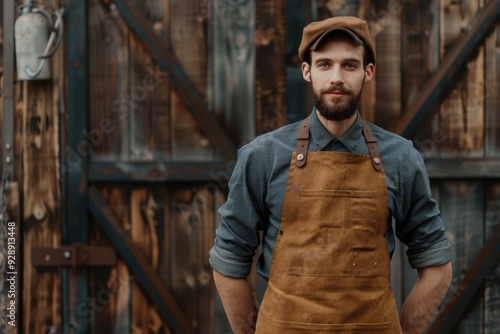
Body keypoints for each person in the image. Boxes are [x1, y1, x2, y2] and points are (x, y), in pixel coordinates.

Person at [209, 16, 452, 334]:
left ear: (368, 72)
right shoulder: (262, 157)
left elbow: (437, 267)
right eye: (324, 64)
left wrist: (400, 330)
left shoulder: (401, 159)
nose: (336, 77)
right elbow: (228, 261)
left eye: (349, 65)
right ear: (307, 71)